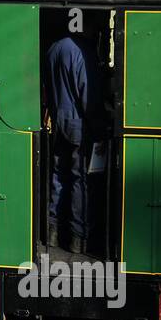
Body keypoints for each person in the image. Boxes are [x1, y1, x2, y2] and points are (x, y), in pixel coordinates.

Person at [45, 22, 104, 255]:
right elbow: (88, 94)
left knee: (58, 175)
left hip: (57, 119)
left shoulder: (54, 48)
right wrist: (98, 126)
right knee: (82, 180)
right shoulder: (82, 52)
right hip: (79, 123)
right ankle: (79, 238)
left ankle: (53, 230)